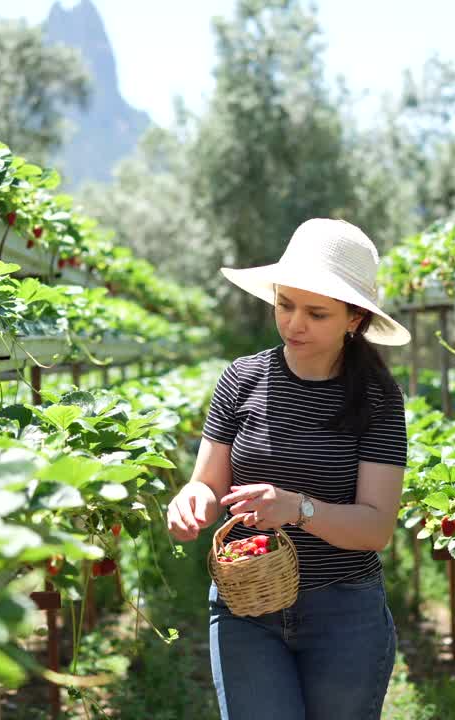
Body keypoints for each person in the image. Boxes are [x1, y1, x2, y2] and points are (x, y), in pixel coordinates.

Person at [166, 218, 411, 720]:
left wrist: (296, 509)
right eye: (285, 305)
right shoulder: (241, 378)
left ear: (354, 319)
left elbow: (376, 527)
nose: (294, 323)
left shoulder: (377, 398)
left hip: (344, 613)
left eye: (316, 313)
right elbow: (208, 484)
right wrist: (191, 500)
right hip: (245, 607)